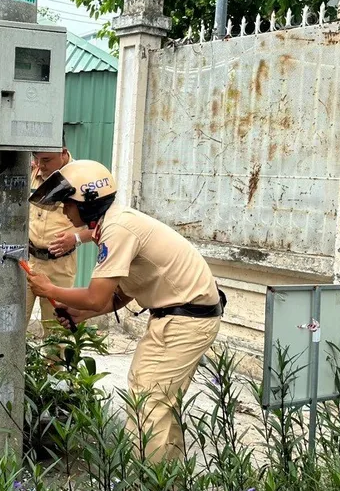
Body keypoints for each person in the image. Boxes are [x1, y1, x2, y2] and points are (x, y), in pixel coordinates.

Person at [26, 159, 225, 464]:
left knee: (148, 403)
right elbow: (120, 294)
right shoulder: (115, 224)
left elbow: (96, 296)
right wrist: (80, 314)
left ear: (88, 202)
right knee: (161, 404)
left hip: (184, 320)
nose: (63, 211)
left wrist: (49, 289)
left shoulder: (117, 229)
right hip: (187, 316)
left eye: (67, 203)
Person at [26, 144, 94, 334]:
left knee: (56, 332)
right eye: (37, 159)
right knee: (13, 325)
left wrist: (76, 238)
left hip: (60, 266)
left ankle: (54, 365)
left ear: (63, 152)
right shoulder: (32, 172)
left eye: (46, 160)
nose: (41, 165)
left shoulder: (82, 179)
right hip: (28, 262)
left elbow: (102, 226)